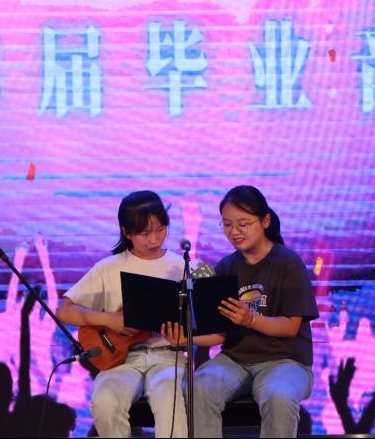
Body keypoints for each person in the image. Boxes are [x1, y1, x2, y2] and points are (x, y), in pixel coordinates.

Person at [56, 190, 191, 437]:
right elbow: (64, 310)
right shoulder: (109, 268)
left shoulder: (183, 267)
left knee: (169, 398)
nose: (154, 239)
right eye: (145, 233)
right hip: (121, 359)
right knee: (105, 402)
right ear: (127, 232)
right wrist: (109, 319)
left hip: (167, 356)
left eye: (161, 229)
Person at [192, 185, 319, 438]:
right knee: (199, 388)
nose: (234, 232)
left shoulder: (288, 262)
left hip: (285, 361)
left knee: (279, 395)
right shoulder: (226, 267)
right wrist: (184, 338)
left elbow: (291, 326)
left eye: (243, 224)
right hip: (235, 360)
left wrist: (250, 319)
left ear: (265, 221)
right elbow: (220, 334)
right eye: (227, 225)